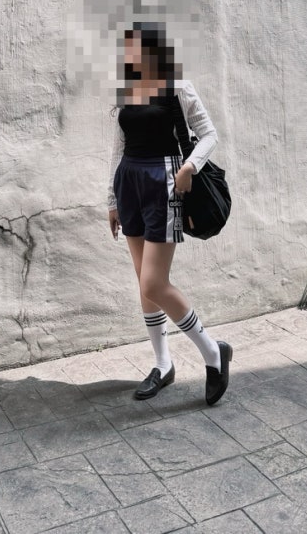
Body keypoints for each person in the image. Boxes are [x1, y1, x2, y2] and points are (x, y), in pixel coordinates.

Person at [107, 21, 232, 404]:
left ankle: (213, 352)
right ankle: (163, 364)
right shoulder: (126, 89)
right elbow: (117, 146)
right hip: (129, 183)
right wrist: (111, 200)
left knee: (153, 283)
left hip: (164, 182)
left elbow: (209, 133)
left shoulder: (176, 85)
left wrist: (190, 167)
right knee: (143, 281)